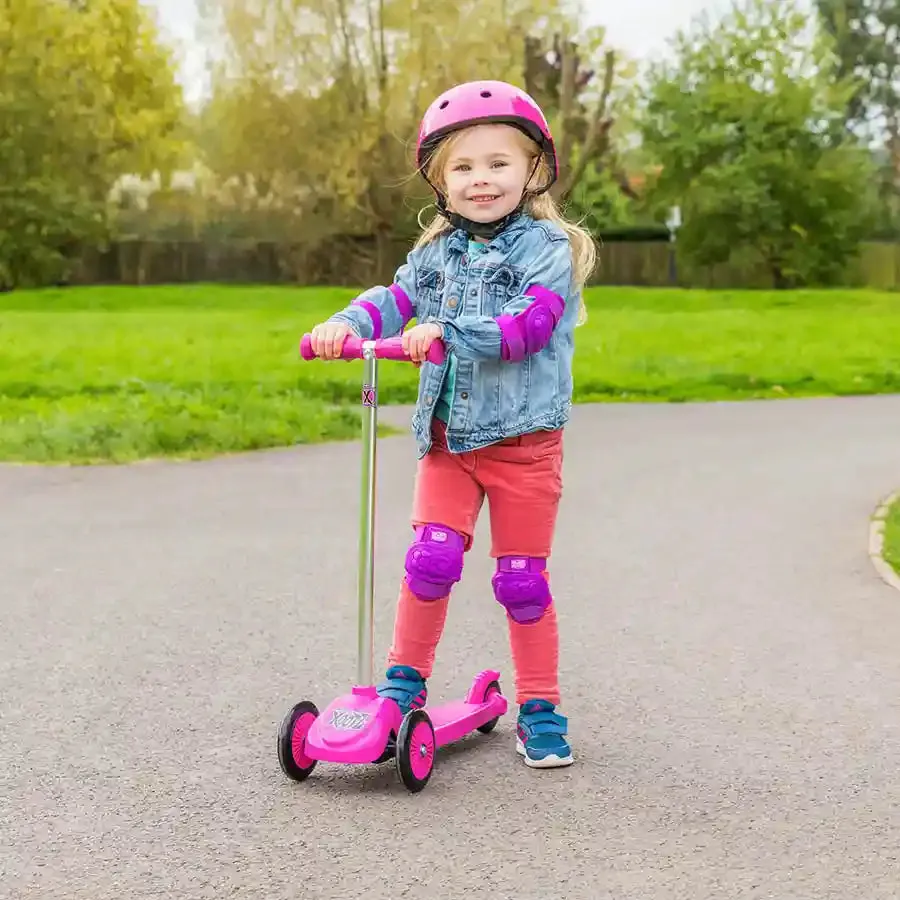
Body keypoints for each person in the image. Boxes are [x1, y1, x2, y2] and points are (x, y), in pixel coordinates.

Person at [308, 79, 596, 769]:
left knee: (520, 580)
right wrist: (345, 324)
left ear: (533, 170)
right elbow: (394, 298)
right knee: (430, 559)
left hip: (525, 444)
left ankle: (540, 707)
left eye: (498, 163)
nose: (481, 179)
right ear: (440, 182)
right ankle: (402, 686)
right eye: (463, 167)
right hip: (448, 444)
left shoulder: (546, 250)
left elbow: (527, 326)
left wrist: (447, 329)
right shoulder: (434, 254)